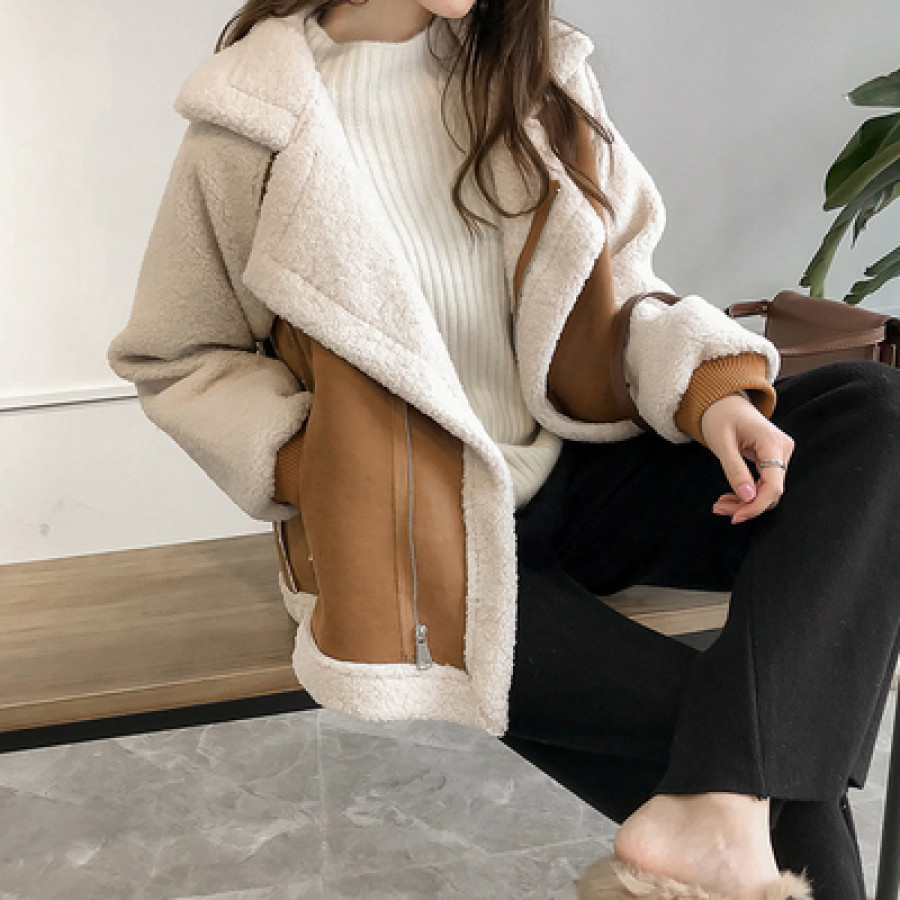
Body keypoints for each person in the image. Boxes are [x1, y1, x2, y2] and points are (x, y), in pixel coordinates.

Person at [106, 1, 900, 897]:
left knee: (872, 411)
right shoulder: (253, 118)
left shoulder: (539, 81)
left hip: (579, 474)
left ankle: (723, 802)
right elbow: (179, 356)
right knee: (773, 767)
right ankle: (727, 805)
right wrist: (319, 468)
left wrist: (711, 394)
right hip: (415, 543)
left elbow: (623, 287)